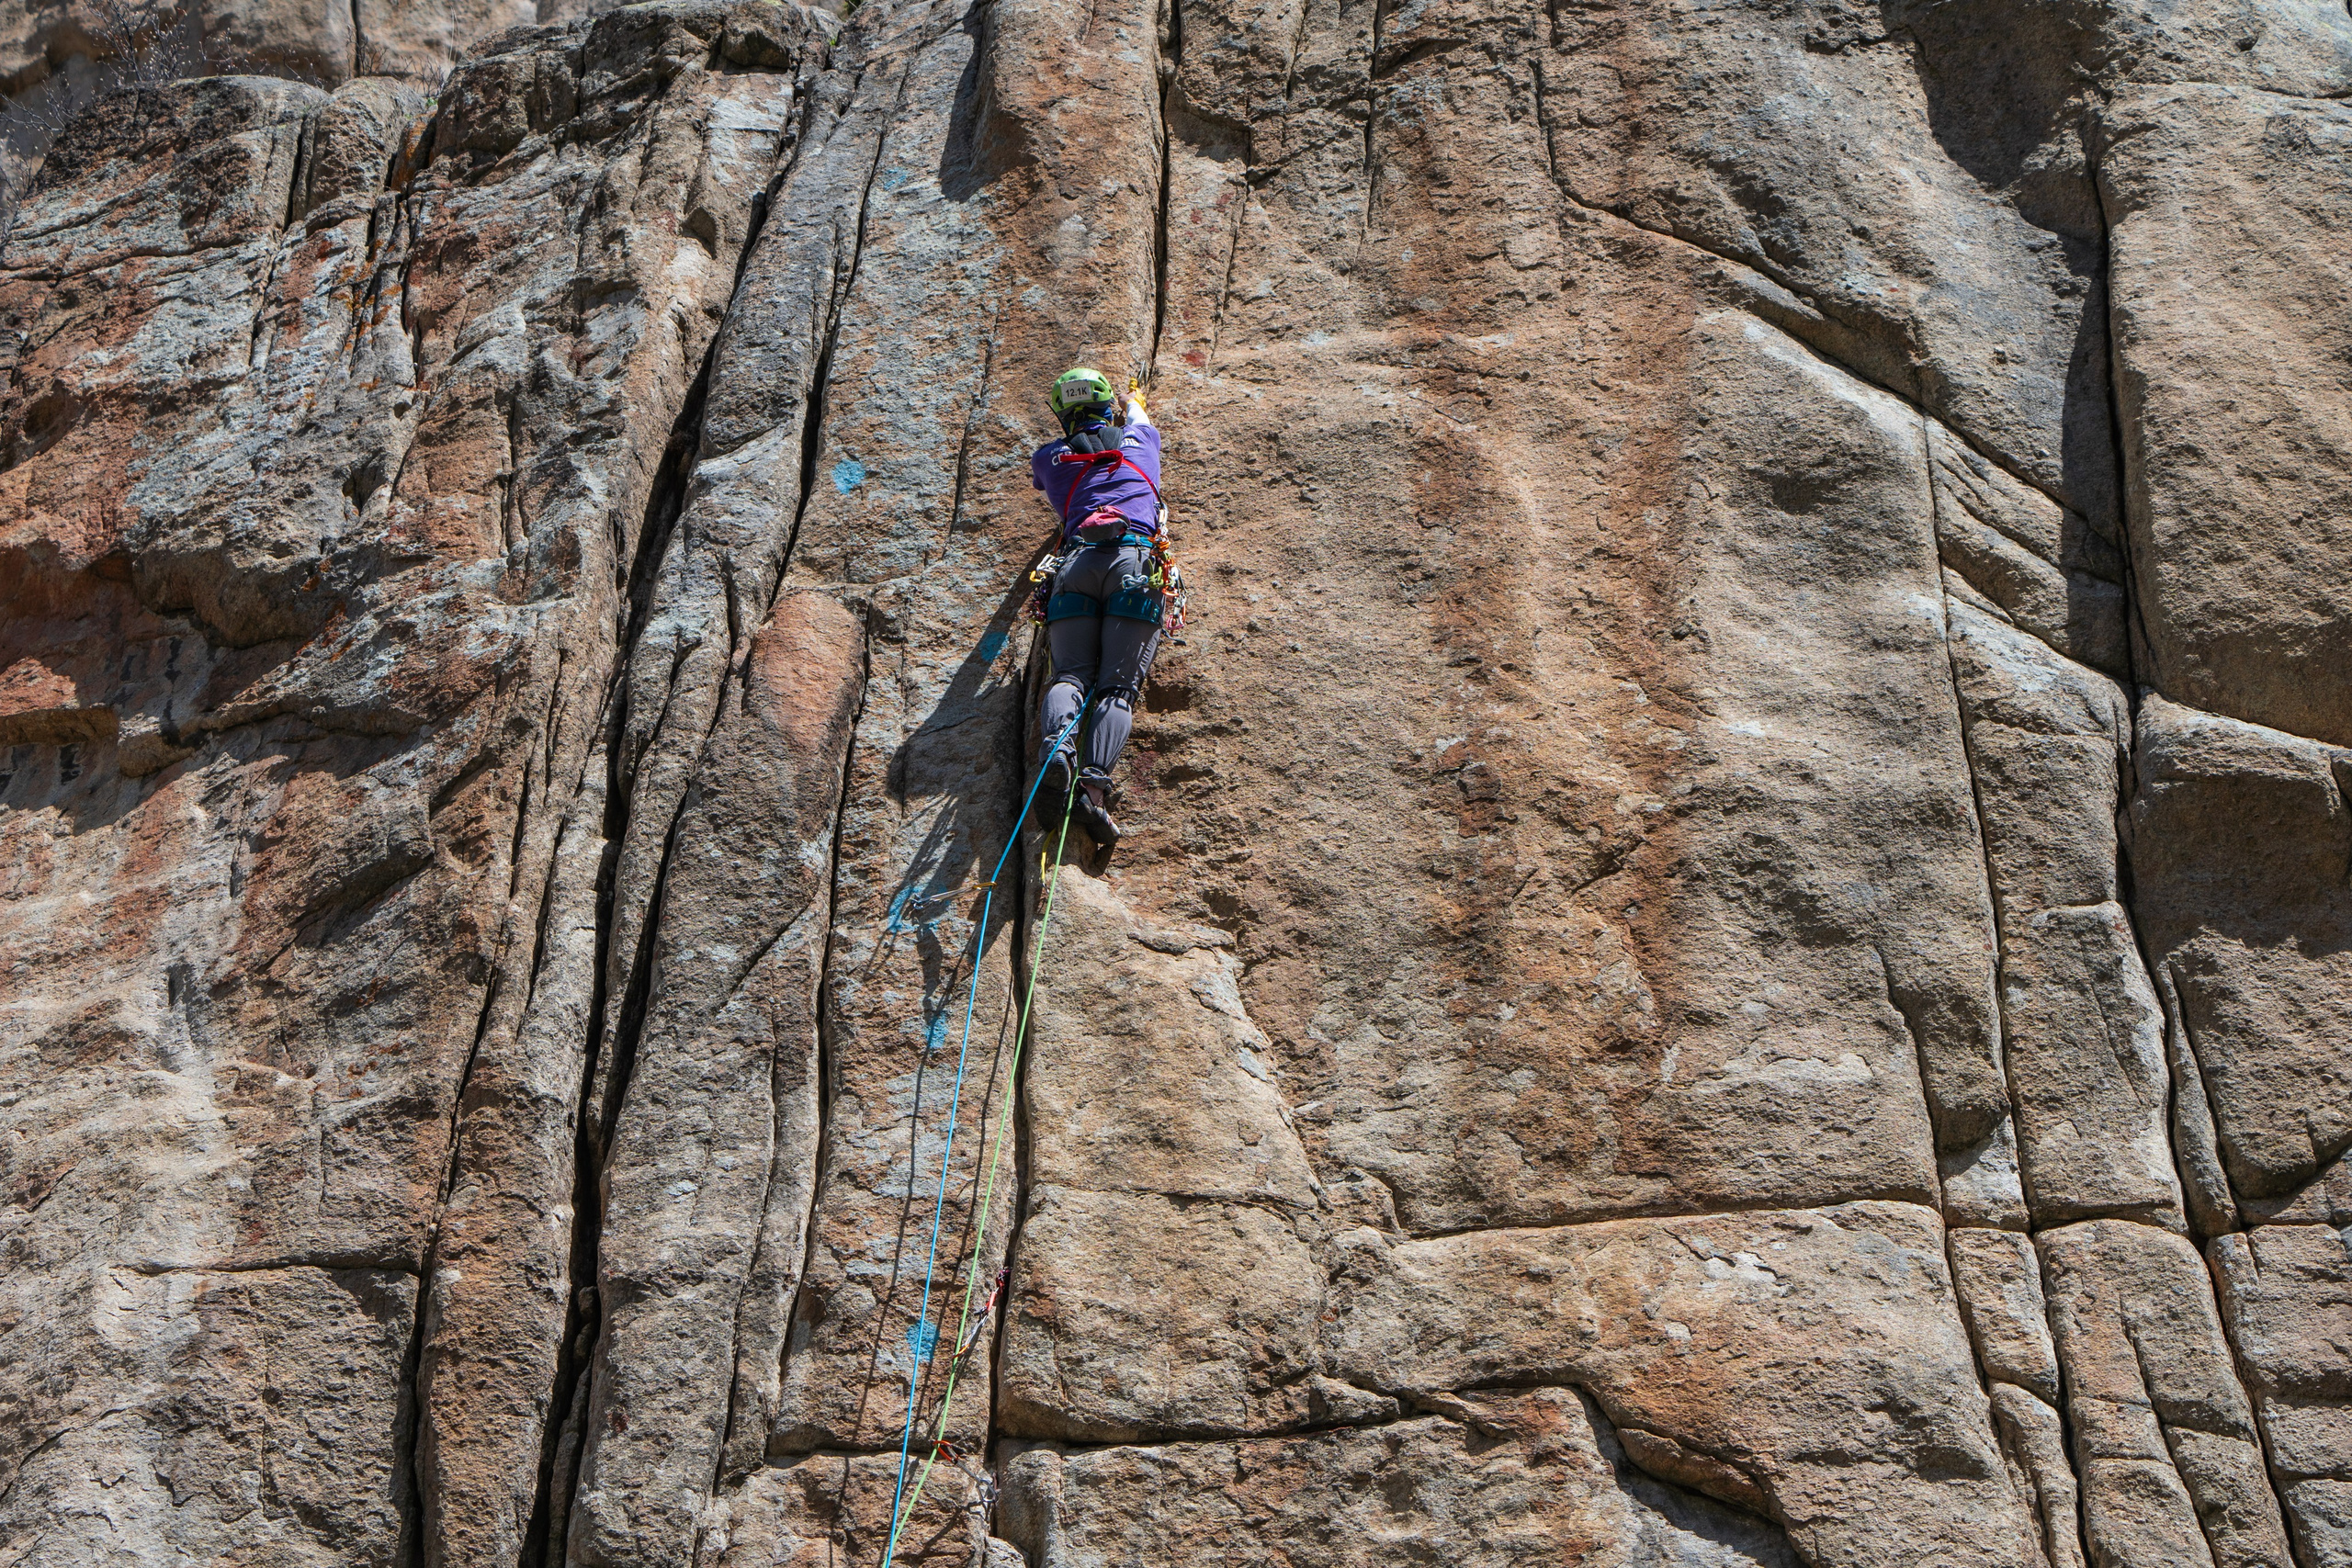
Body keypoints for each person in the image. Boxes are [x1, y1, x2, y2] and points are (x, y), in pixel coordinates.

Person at [1030, 366, 1167, 848]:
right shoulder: (1140, 443)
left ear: (1061, 415)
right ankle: (1092, 791)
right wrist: (1132, 400)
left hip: (1076, 562)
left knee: (1069, 676)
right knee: (1117, 690)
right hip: (1134, 560)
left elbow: (1054, 493)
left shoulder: (1049, 457)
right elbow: (1139, 417)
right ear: (1108, 404)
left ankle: (1056, 752)